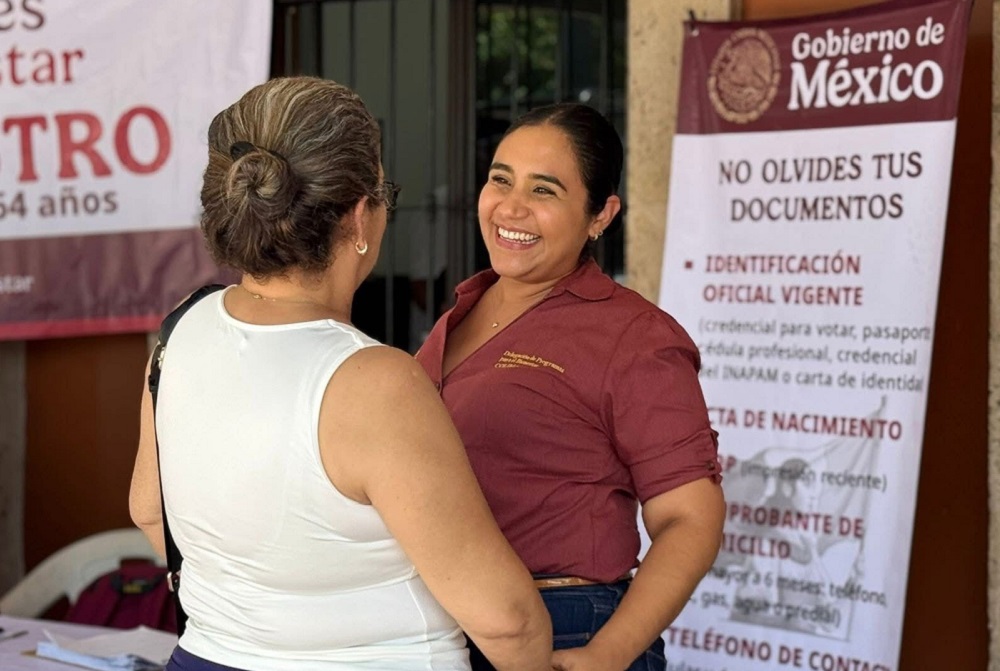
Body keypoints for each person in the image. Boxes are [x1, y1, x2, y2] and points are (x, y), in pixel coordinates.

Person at [128, 76, 552, 671]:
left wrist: (250, 615)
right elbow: (506, 620)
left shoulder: (179, 331)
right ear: (359, 217)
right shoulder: (376, 382)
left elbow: (149, 509)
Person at [415, 103, 726, 671]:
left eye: (545, 191)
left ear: (600, 216)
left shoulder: (633, 336)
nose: (511, 207)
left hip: (564, 624)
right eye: (500, 179)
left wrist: (607, 653)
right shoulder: (463, 308)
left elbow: (691, 519)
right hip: (449, 625)